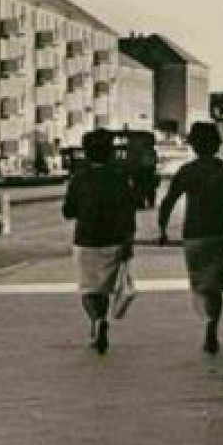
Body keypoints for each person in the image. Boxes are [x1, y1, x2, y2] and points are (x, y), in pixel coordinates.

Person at [157, 121, 223, 355]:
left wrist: (162, 229)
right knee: (216, 286)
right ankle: (213, 323)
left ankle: (208, 321)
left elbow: (168, 201)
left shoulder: (186, 172)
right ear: (217, 144)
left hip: (195, 235)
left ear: (192, 145)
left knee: (201, 284)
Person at [62, 129, 137, 354]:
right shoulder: (120, 178)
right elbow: (129, 211)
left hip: (86, 240)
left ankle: (97, 320)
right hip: (114, 240)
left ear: (87, 153)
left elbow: (68, 211)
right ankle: (101, 319)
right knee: (104, 289)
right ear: (111, 152)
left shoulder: (80, 179)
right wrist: (128, 241)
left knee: (88, 289)